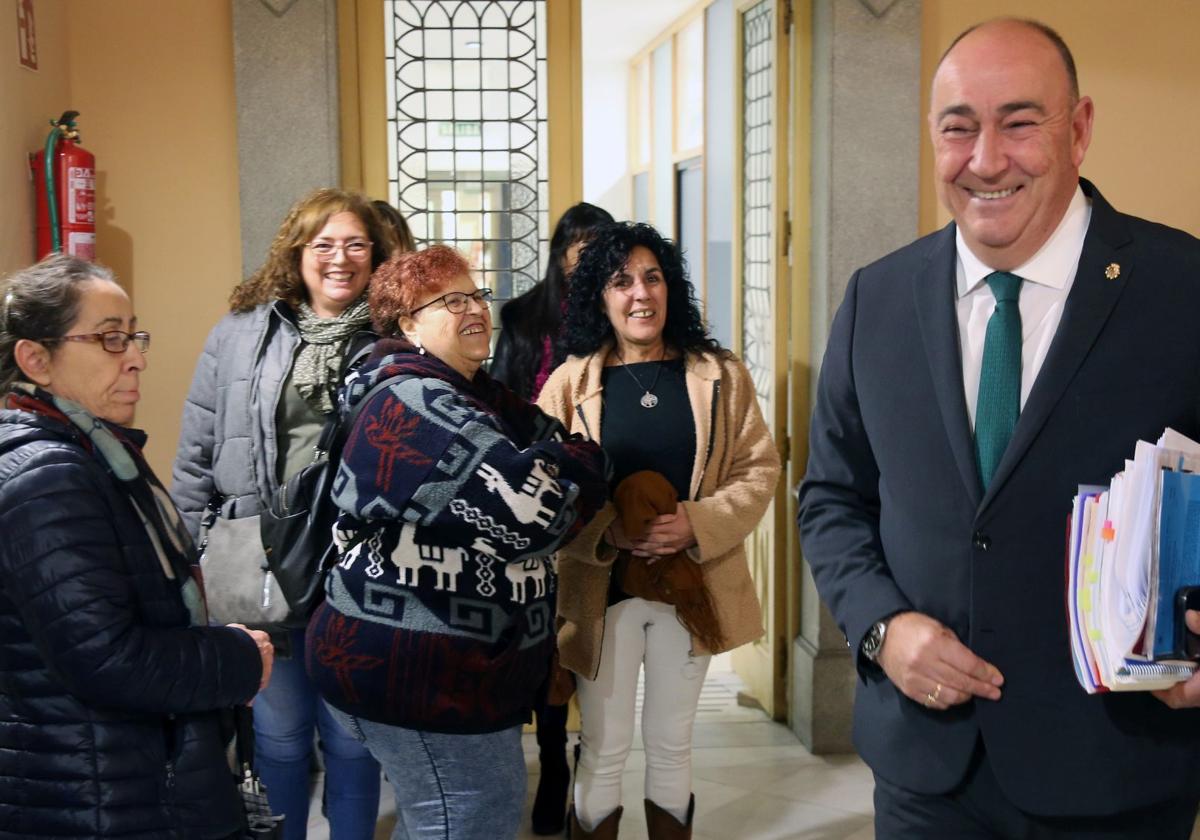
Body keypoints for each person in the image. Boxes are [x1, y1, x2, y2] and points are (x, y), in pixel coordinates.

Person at [796, 18, 1200, 837]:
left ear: (1079, 130)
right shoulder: (877, 299)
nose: (985, 160)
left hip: (1119, 768)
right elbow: (831, 497)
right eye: (959, 128)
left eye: (1019, 123)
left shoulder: (1182, 288)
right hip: (925, 775)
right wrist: (880, 625)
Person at [305, 245, 610, 840]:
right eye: (451, 300)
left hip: (452, 671)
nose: (475, 309)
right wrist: (567, 468)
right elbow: (536, 514)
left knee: (451, 817)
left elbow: (569, 451)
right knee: (467, 818)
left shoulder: (474, 393)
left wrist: (563, 463)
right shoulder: (412, 404)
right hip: (422, 674)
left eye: (477, 295)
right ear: (407, 322)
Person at [0, 254, 273, 839]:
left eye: (134, 337)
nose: (137, 359)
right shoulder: (48, 477)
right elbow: (107, 660)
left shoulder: (90, 456)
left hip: (114, 784)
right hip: (96, 798)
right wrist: (237, 659)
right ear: (35, 359)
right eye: (110, 339)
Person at [538, 222, 781, 840]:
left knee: (673, 745)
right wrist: (604, 532)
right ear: (599, 296)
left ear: (670, 288)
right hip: (601, 594)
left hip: (688, 586)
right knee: (604, 745)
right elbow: (539, 485)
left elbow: (759, 468)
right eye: (621, 281)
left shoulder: (719, 376)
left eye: (652, 277)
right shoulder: (570, 383)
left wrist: (697, 524)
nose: (640, 294)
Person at [173, 188, 397, 839]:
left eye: (356, 243)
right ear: (297, 252)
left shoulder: (392, 337)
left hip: (357, 571)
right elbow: (196, 456)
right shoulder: (240, 332)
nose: (340, 258)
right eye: (324, 243)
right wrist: (192, 566)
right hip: (255, 562)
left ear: (376, 255)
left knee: (353, 744)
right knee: (278, 738)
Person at [489, 199, 614, 835]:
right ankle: (553, 757)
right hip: (535, 488)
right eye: (576, 242)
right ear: (560, 248)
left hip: (601, 489)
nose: (586, 254)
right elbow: (503, 398)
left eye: (599, 243)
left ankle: (591, 760)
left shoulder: (613, 312)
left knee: (591, 634)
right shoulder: (521, 316)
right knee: (544, 635)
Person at [490, 201, 615, 403]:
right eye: (585, 250)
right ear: (561, 255)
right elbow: (498, 391)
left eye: (603, 251)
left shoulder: (619, 311)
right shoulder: (522, 316)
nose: (594, 261)